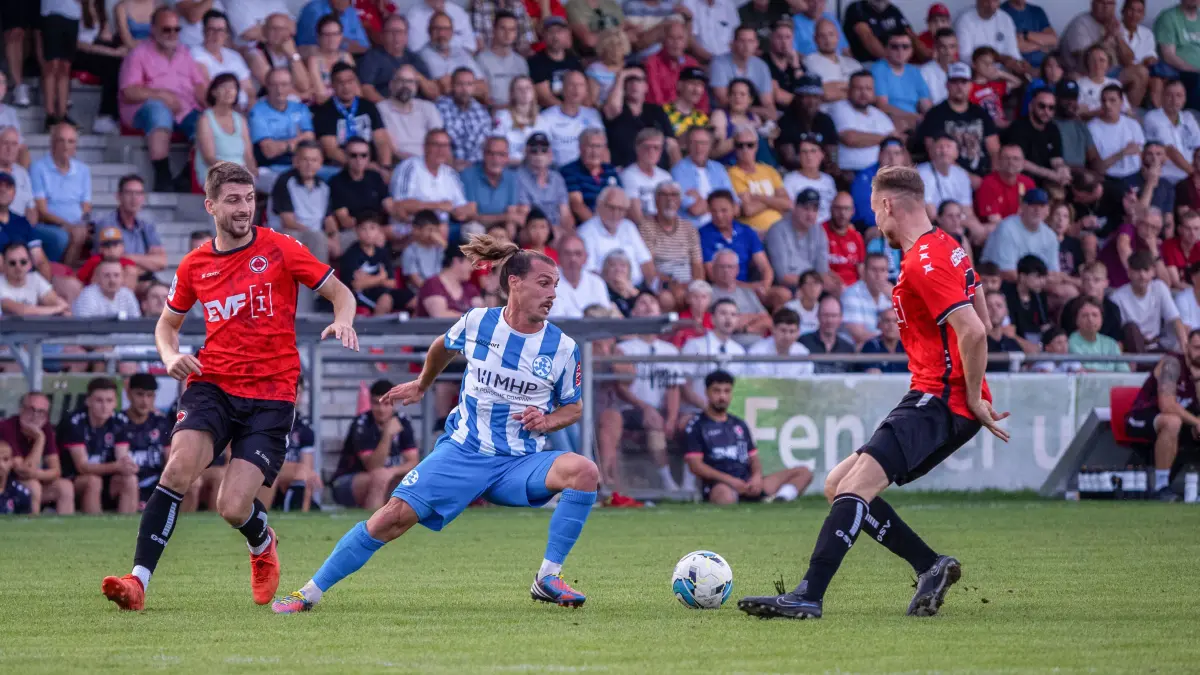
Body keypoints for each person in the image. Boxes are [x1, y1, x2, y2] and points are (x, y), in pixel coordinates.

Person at [738, 164, 1008, 620]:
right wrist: (972, 387)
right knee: (836, 486)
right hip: (935, 397)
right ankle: (930, 565)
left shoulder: (925, 260)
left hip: (938, 400)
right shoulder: (947, 245)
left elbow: (975, 331)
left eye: (874, 210)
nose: (875, 222)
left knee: (856, 487)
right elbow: (980, 307)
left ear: (887, 205)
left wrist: (974, 395)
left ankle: (809, 594)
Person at [277, 235, 597, 613]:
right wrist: (422, 384)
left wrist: (545, 421)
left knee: (584, 471)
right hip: (463, 452)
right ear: (515, 281)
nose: (553, 294)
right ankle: (308, 593)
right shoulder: (479, 322)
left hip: (518, 463)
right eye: (545, 283)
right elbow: (442, 347)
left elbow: (573, 408)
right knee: (391, 520)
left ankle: (547, 577)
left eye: (555, 286)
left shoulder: (562, 348)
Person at [100, 162, 361, 612]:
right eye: (234, 200)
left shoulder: (279, 247)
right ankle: (138, 581)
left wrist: (342, 321)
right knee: (177, 469)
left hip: (271, 393)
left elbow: (341, 293)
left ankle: (262, 542)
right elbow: (167, 326)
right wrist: (170, 356)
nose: (244, 209)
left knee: (232, 506)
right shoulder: (195, 264)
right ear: (211, 205)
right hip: (213, 383)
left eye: (250, 199)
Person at [684, 370, 813, 504]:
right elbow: (696, 466)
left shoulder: (739, 424)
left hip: (748, 482)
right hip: (721, 485)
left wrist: (756, 477)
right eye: (717, 391)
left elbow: (753, 458)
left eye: (727, 391)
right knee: (725, 496)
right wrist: (731, 481)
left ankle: (779, 500)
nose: (722, 396)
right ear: (707, 393)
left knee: (804, 473)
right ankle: (758, 500)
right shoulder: (697, 425)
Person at [601, 292, 683, 491]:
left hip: (659, 409)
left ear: (660, 311)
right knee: (654, 425)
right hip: (630, 408)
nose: (647, 306)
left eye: (652, 302)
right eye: (642, 303)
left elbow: (674, 387)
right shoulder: (624, 348)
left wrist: (672, 418)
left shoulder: (670, 350)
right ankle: (668, 484)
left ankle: (686, 484)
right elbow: (620, 387)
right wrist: (645, 408)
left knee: (681, 425)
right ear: (634, 313)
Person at [119, 8, 207, 193]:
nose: (172, 34)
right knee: (159, 111)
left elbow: (199, 85)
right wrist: (161, 95)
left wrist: (214, 109)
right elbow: (129, 91)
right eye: (167, 29)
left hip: (184, 109)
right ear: (153, 29)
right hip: (145, 109)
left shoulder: (184, 52)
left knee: (206, 123)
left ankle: (185, 176)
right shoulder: (138, 54)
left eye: (176, 29)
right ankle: (162, 176)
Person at [1122, 333, 1200, 500]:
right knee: (1172, 421)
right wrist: (1197, 422)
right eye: (1197, 348)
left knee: (1181, 424)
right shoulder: (1172, 363)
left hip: (1179, 423)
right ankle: (1161, 486)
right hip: (1141, 417)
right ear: (1187, 348)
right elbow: (1167, 405)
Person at [331, 379, 420, 510]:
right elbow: (373, 466)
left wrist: (391, 471)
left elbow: (413, 462)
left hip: (385, 476)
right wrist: (387, 435)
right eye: (376, 404)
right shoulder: (362, 423)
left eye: (386, 404)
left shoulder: (403, 421)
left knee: (411, 482)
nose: (381, 410)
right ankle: (372, 526)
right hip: (346, 482)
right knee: (379, 478)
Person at [58, 377, 138, 515]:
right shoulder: (74, 422)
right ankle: (95, 530)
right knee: (93, 481)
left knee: (130, 479)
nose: (104, 406)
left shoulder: (120, 421)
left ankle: (129, 531)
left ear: (115, 403)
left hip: (107, 479)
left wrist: (128, 466)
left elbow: (122, 457)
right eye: (99, 400)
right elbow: (82, 467)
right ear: (88, 401)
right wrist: (117, 466)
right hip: (74, 481)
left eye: (109, 401)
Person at [915, 62, 1000, 181]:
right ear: (947, 85)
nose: (959, 87)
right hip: (949, 177)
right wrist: (968, 178)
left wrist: (992, 179)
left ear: (971, 85)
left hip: (983, 178)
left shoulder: (981, 113)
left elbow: (994, 151)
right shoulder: (935, 114)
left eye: (964, 82)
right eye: (955, 82)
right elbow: (934, 152)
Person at [1061, 0, 1148, 109]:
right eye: (1102, 3)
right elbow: (1086, 61)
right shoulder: (1080, 24)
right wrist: (1107, 37)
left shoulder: (1114, 24)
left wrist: (1118, 37)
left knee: (1141, 72)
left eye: (1110, 3)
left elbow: (1129, 59)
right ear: (1093, 4)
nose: (1106, 7)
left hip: (1109, 72)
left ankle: (1126, 114)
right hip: (1084, 73)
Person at [269, 142, 336, 274]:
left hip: (317, 235)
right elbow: (288, 222)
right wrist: (322, 237)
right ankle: (321, 288)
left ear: (320, 163)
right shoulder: (284, 181)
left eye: (314, 160)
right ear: (296, 161)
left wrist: (334, 237)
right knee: (317, 238)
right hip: (289, 233)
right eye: (305, 159)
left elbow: (329, 219)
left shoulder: (323, 186)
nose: (309, 164)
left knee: (357, 237)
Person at [0, 391, 71, 515]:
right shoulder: (7, 427)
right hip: (7, 483)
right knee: (33, 486)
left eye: (41, 412)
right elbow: (22, 471)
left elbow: (56, 470)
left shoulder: (45, 428)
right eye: (31, 410)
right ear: (21, 409)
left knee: (65, 487)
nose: (35, 416)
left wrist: (35, 474)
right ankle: (32, 528)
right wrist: (39, 439)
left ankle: (67, 531)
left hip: (31, 479)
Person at [313, 63, 394, 172]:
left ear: (356, 82)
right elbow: (331, 150)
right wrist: (363, 167)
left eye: (350, 81)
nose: (346, 87)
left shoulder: (368, 106)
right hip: (340, 168)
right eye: (340, 82)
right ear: (332, 85)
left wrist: (385, 167)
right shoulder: (324, 111)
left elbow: (382, 140)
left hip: (372, 165)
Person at [30, 123, 92, 267]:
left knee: (106, 235)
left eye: (71, 141)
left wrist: (82, 224)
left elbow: (86, 206)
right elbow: (42, 211)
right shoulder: (38, 168)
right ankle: (60, 273)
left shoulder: (83, 170)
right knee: (62, 237)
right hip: (49, 224)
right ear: (52, 143)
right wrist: (68, 226)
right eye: (61, 140)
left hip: (78, 223)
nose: (66, 146)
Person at [390, 129, 476, 226]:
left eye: (445, 145)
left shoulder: (450, 173)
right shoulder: (410, 167)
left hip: (444, 228)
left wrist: (466, 211)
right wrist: (437, 206)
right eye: (436, 145)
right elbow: (400, 205)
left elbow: (460, 205)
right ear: (425, 147)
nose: (441, 150)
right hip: (411, 228)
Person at [1112, 249, 1189, 353]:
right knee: (1131, 328)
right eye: (1137, 270)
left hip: (1156, 345)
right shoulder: (1117, 297)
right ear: (1129, 272)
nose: (1142, 275)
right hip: (1130, 350)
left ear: (1153, 271)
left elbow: (1175, 319)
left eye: (1146, 270)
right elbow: (1117, 336)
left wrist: (1185, 348)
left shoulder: (1159, 287)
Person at [249, 68, 318, 180]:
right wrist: (296, 141)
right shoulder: (257, 111)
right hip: (272, 167)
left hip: (303, 165)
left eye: (284, 84)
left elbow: (310, 140)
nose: (279, 89)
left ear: (291, 86)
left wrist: (281, 145)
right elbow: (269, 152)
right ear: (267, 86)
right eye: (274, 85)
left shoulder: (300, 108)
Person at [602, 68, 677, 171]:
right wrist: (621, 76)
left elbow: (672, 146)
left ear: (646, 86)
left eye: (639, 80)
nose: (634, 85)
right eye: (630, 80)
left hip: (657, 173)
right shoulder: (618, 110)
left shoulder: (656, 110)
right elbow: (612, 109)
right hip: (624, 171)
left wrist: (677, 175)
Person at [980, 189, 1060, 282]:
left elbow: (1054, 274)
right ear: (1022, 207)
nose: (1037, 210)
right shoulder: (1007, 228)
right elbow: (1006, 272)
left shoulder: (1050, 236)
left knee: (1067, 291)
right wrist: (1036, 281)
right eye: (1032, 205)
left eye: (1042, 206)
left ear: (1048, 211)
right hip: (997, 283)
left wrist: (1038, 281)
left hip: (1034, 284)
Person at [700, 190, 773, 290]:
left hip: (749, 287)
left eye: (724, 210)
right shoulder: (703, 234)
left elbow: (765, 267)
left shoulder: (747, 231)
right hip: (721, 289)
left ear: (734, 208)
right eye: (714, 211)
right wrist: (749, 287)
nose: (719, 216)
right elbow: (713, 275)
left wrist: (765, 285)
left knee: (781, 295)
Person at [195, 74, 258, 188]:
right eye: (224, 87)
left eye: (233, 88)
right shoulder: (205, 119)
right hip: (215, 172)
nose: (229, 91)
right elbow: (209, 157)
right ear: (214, 92)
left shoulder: (240, 119)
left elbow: (248, 155)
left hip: (241, 172)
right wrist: (234, 172)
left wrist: (252, 172)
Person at [830, 71, 897, 174]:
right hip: (851, 172)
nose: (863, 93)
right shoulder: (839, 108)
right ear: (849, 90)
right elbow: (850, 138)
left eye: (868, 89)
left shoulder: (879, 114)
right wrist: (886, 138)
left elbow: (896, 142)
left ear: (874, 92)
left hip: (882, 172)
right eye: (858, 88)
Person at [123, 374, 173, 508]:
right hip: (126, 481)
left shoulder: (161, 423)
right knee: (129, 481)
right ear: (128, 394)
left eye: (149, 395)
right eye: (139, 394)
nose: (145, 401)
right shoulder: (118, 422)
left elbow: (169, 459)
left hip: (156, 481)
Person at [765, 190, 831, 293]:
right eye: (806, 209)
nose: (810, 215)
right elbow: (782, 277)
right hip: (787, 288)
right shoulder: (777, 231)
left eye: (814, 210)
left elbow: (822, 271)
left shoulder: (819, 231)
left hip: (813, 287)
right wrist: (812, 285)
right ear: (795, 208)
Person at [727, 128, 790, 235]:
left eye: (750, 145)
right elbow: (748, 209)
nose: (745, 149)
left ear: (756, 146)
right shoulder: (733, 173)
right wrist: (774, 200)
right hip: (754, 232)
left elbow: (787, 204)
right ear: (735, 148)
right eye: (740, 145)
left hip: (780, 229)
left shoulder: (769, 170)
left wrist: (758, 197)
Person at [358, 15, 433, 104]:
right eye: (391, 32)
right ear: (382, 35)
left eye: (400, 32)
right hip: (387, 108)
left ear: (406, 36)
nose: (396, 36)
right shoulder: (372, 57)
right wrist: (389, 108)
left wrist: (417, 75)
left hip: (416, 109)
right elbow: (366, 89)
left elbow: (433, 93)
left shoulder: (414, 58)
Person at [190, 10, 255, 111]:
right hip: (219, 112)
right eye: (211, 29)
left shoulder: (234, 56)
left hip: (244, 110)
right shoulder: (195, 53)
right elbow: (206, 90)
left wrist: (251, 112)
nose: (216, 35)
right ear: (203, 31)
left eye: (220, 30)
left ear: (226, 34)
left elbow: (249, 90)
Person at [329, 137, 393, 237]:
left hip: (378, 228)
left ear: (369, 158)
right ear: (346, 156)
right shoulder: (337, 182)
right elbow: (345, 221)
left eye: (363, 155)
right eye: (353, 155)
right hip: (354, 231)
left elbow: (390, 206)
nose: (359, 160)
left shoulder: (375, 177)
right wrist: (371, 230)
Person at [672, 127, 735, 227]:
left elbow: (735, 208)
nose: (699, 148)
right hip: (695, 231)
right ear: (687, 145)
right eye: (694, 143)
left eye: (703, 143)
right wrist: (721, 206)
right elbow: (695, 210)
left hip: (723, 229)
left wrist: (701, 199)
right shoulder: (679, 170)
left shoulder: (719, 169)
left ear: (710, 146)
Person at [378, 65, 444, 161]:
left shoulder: (428, 107)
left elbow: (438, 140)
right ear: (391, 85)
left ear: (416, 86)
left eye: (410, 81)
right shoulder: (380, 109)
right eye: (401, 81)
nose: (405, 85)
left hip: (429, 160)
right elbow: (391, 149)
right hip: (399, 163)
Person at [539, 70, 604, 168]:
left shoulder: (593, 115)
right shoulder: (546, 117)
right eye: (571, 85)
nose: (576, 89)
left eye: (580, 85)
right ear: (563, 88)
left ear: (586, 90)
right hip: (559, 172)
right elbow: (542, 152)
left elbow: (603, 148)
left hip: (588, 172)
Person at [870, 33, 932, 134]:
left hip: (914, 119)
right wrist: (911, 116)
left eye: (905, 47)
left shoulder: (914, 72)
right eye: (895, 47)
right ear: (886, 49)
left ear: (911, 51)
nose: (900, 51)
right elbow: (882, 106)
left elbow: (926, 104)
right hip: (890, 118)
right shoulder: (879, 69)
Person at [245, 13, 314, 102]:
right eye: (273, 28)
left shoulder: (292, 51)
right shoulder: (255, 51)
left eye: (282, 29)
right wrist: (303, 96)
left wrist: (293, 55)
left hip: (291, 104)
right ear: (264, 31)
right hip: (266, 103)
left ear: (290, 33)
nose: (278, 33)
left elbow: (304, 85)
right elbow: (275, 87)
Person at [955, 0, 1030, 79]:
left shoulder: (1005, 19)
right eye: (987, 1)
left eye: (995, 1)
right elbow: (965, 57)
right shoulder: (964, 20)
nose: (991, 5)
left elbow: (1013, 51)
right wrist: (997, 61)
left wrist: (1019, 63)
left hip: (1005, 73)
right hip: (978, 74)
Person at [1144, 79, 1200, 185]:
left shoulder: (1188, 118)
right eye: (1169, 95)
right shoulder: (1153, 117)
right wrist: (1194, 175)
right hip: (1166, 179)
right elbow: (1170, 150)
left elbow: (1198, 147)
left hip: (1191, 179)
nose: (1174, 100)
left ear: (1184, 99)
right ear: (1162, 97)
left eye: (1179, 95)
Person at [644, 20, 708, 111]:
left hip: (690, 117)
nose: (676, 43)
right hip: (661, 116)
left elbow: (702, 99)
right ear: (663, 41)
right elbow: (655, 99)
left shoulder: (692, 63)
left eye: (680, 38)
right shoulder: (652, 63)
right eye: (671, 38)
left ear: (686, 43)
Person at [710, 27, 775, 116]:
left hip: (752, 116)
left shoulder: (761, 66)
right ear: (733, 43)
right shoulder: (719, 63)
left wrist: (768, 113)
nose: (746, 46)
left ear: (756, 44)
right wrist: (758, 111)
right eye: (742, 41)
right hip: (724, 115)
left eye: (750, 41)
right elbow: (723, 101)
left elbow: (768, 103)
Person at [436, 69, 493, 170]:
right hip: (449, 167)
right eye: (460, 84)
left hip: (479, 168)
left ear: (474, 87)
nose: (464, 89)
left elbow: (487, 142)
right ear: (452, 86)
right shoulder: (440, 107)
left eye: (469, 84)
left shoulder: (481, 110)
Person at [420, 13, 486, 99]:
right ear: (429, 31)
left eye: (446, 29)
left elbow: (483, 87)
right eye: (437, 29)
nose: (442, 34)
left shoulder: (462, 53)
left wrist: (452, 84)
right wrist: (468, 85)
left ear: (452, 32)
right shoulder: (421, 56)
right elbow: (433, 92)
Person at [1088, 84, 1145, 185]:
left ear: (1121, 102)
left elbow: (1140, 154)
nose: (1107, 105)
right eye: (1104, 101)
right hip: (1108, 179)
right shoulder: (1092, 127)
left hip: (1134, 175)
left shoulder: (1132, 124)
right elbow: (1097, 167)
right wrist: (1123, 153)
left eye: (1112, 100)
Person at [515, 133, 573, 230]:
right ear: (526, 153)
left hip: (558, 229)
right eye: (534, 151)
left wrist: (567, 231)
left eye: (544, 150)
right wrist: (552, 231)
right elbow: (525, 215)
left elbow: (565, 213)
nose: (539, 154)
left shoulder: (557, 178)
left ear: (550, 154)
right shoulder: (519, 177)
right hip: (533, 229)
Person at [842, 0, 929, 64]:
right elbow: (867, 37)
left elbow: (911, 35)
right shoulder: (856, 8)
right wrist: (892, 62)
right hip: (867, 63)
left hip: (897, 60)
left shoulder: (892, 10)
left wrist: (928, 58)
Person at [563, 130, 621, 223]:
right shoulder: (570, 171)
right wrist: (598, 227)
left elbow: (621, 200)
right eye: (590, 146)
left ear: (604, 149)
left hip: (614, 223)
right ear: (580, 147)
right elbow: (577, 205)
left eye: (598, 146)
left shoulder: (610, 171)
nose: (595, 152)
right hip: (587, 225)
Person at [0, 243, 71, 317]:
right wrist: (58, 309)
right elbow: (23, 311)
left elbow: (57, 302)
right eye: (12, 263)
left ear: (30, 264)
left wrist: (63, 309)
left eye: (23, 262)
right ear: (4, 265)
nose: (18, 267)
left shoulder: (35, 278)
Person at [528, 17, 583, 108]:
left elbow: (582, 90)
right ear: (544, 36)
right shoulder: (536, 62)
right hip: (550, 113)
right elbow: (545, 97)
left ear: (566, 34)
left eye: (559, 31)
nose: (555, 36)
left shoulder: (574, 59)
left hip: (574, 110)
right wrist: (568, 110)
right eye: (550, 32)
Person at [621, 128, 673, 224]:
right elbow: (636, 216)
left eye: (656, 148)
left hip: (663, 229)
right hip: (641, 230)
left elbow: (671, 210)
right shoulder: (628, 176)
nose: (651, 152)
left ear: (661, 151)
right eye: (647, 147)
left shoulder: (666, 177)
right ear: (637, 148)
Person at [478, 12, 529, 108]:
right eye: (503, 28)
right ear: (494, 30)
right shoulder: (481, 60)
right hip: (493, 113)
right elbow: (483, 97)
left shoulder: (521, 62)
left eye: (512, 29)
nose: (507, 33)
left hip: (519, 111)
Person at [805, 20, 863, 104]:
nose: (827, 39)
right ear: (815, 39)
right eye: (822, 36)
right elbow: (824, 94)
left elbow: (868, 93)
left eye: (831, 34)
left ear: (838, 36)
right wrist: (853, 89)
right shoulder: (810, 61)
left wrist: (836, 87)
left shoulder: (853, 63)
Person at [783, 135, 837, 224]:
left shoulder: (828, 180)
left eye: (813, 151)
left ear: (822, 155)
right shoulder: (790, 180)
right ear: (799, 156)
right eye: (804, 152)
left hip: (830, 229)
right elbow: (788, 211)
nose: (809, 156)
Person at [841, 253, 894, 345]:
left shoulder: (890, 293)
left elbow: (910, 327)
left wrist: (895, 301)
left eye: (883, 270)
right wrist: (892, 335)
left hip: (883, 350)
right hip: (856, 353)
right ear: (864, 272)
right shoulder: (852, 294)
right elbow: (859, 335)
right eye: (874, 270)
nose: (878, 275)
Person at [305, 15, 358, 105]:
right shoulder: (314, 60)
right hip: (325, 107)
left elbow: (356, 89)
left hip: (349, 105)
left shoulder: (346, 57)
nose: (331, 39)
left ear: (341, 36)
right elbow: (321, 95)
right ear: (319, 37)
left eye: (335, 34)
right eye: (327, 35)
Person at [747, 308, 814, 378]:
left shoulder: (803, 353)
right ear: (773, 329)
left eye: (792, 331)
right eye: (783, 330)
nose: (787, 336)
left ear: (798, 332)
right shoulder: (756, 352)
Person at [1068, 296, 1130, 371]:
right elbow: (1088, 372)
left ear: (1101, 319)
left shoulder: (1111, 343)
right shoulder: (1070, 343)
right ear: (1076, 320)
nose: (1090, 320)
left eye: (1095, 315)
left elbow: (1124, 371)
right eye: (1084, 316)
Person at [798, 295, 856, 373]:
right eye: (825, 315)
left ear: (841, 318)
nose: (830, 320)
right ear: (818, 316)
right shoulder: (803, 343)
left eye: (834, 316)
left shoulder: (848, 349)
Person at [494, 77, 542, 164]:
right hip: (508, 167)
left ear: (534, 92)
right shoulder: (502, 117)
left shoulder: (542, 120)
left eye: (528, 88)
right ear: (512, 93)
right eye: (519, 89)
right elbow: (496, 148)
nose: (524, 92)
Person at [72, 261, 142, 318]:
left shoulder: (127, 294)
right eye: (107, 275)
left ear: (122, 278)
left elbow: (136, 324)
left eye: (116, 275)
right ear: (98, 279)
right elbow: (83, 329)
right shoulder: (87, 296)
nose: (112, 280)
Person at [407, 0, 476, 54]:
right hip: (430, 62)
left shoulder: (458, 12)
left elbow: (471, 47)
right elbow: (416, 50)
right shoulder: (413, 16)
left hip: (460, 59)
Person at [663, 68, 711, 138]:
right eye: (692, 83)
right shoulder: (663, 112)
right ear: (679, 85)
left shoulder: (703, 119)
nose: (697, 90)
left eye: (701, 85)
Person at [919, 28, 957, 106]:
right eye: (943, 47)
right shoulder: (924, 71)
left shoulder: (961, 69)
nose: (948, 51)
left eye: (952, 46)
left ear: (957, 48)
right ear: (936, 47)